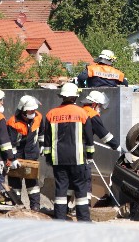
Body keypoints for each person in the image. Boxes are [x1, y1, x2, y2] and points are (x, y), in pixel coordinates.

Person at [43, 82, 95, 221]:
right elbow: (89, 137)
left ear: (62, 97)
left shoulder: (51, 114)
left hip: (58, 159)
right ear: (75, 97)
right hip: (78, 158)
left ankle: (60, 219)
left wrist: (48, 157)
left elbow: (47, 139)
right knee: (80, 189)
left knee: (61, 189)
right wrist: (90, 155)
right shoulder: (82, 113)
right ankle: (83, 220)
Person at [79, 90, 123, 203]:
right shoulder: (92, 115)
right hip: (82, 152)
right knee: (85, 178)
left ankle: (69, 208)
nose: (100, 109)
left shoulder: (80, 111)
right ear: (94, 104)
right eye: (100, 106)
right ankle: (85, 207)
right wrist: (117, 146)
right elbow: (104, 135)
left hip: (70, 150)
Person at [6, 95, 45, 211]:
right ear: (22, 110)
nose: (33, 112)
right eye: (30, 110)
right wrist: (12, 159)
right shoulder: (13, 122)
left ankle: (35, 208)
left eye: (34, 109)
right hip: (17, 157)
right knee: (15, 185)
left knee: (32, 183)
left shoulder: (38, 117)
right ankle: (16, 207)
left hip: (31, 157)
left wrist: (42, 145)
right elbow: (10, 144)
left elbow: (42, 133)